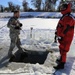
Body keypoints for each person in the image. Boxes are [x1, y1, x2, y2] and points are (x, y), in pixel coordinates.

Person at [53, 3, 75, 70]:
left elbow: (66, 28)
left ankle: (62, 64)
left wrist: (62, 35)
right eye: (61, 7)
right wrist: (57, 32)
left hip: (66, 37)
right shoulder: (64, 16)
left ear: (66, 8)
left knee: (64, 50)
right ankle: (61, 59)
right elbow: (60, 25)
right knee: (61, 48)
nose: (61, 9)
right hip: (62, 36)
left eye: (63, 8)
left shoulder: (69, 17)